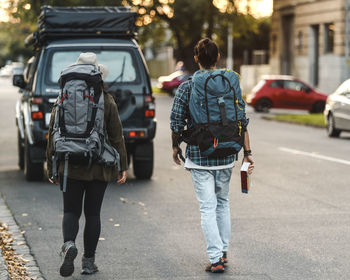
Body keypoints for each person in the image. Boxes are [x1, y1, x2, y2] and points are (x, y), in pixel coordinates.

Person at [170, 38, 254, 273]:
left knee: (207, 207)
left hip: (199, 154)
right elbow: (241, 120)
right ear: (218, 57)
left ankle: (215, 258)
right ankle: (223, 253)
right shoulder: (231, 82)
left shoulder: (188, 86)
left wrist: (175, 147)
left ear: (196, 58)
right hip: (227, 152)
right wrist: (247, 153)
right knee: (222, 202)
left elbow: (176, 122)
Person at [46, 52, 128, 277]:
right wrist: (122, 165)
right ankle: (88, 262)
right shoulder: (106, 98)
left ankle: (69, 244)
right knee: (93, 214)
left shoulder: (64, 94)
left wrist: (50, 162)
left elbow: (53, 130)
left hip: (69, 163)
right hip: (98, 165)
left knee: (70, 211)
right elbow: (116, 135)